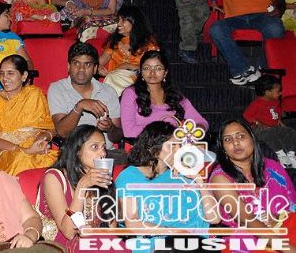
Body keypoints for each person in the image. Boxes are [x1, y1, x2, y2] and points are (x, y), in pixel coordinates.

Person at [115, 121, 219, 252]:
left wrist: (199, 181)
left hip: (198, 243)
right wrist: (175, 232)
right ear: (153, 148)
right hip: (159, 244)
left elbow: (214, 218)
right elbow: (133, 223)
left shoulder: (183, 174)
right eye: (173, 146)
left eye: (180, 145)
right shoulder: (130, 176)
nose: (178, 150)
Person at [210, 118, 296, 246]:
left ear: (252, 139)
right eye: (228, 139)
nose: (235, 142)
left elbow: (293, 206)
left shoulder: (273, 168)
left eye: (241, 136)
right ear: (223, 148)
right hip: (243, 242)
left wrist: (278, 218)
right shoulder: (219, 178)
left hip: (286, 230)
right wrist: (286, 247)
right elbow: (247, 220)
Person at [38, 125, 116, 251]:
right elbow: (68, 232)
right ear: (77, 151)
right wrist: (82, 186)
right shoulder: (54, 178)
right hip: (64, 246)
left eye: (103, 147)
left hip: (96, 243)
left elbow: (111, 229)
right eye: (94, 147)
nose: (102, 153)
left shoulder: (102, 177)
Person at [0, 54, 58, 175]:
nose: (4, 78)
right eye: (2, 73)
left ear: (24, 76)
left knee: (59, 161)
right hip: (6, 152)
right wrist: (25, 151)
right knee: (22, 161)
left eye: (10, 73)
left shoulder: (34, 94)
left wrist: (41, 140)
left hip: (35, 148)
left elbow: (52, 128)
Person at [48, 41, 123, 147]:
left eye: (87, 64)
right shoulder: (57, 89)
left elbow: (118, 137)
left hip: (105, 153)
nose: (81, 69)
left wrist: (110, 127)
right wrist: (80, 106)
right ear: (68, 66)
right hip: (75, 153)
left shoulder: (108, 91)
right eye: (76, 63)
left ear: (95, 69)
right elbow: (62, 132)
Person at [120, 51, 207, 139]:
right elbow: (129, 131)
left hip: (174, 145)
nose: (152, 72)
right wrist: (171, 132)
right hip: (144, 146)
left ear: (165, 73)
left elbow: (201, 122)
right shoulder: (131, 93)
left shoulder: (175, 97)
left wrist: (195, 132)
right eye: (147, 68)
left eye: (158, 68)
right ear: (141, 72)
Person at [98, 5, 160, 97]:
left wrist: (127, 66)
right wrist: (98, 68)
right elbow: (98, 63)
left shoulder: (149, 44)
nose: (119, 24)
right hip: (116, 78)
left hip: (139, 82)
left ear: (134, 22)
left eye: (123, 20)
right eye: (118, 20)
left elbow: (155, 69)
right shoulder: (114, 42)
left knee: (111, 79)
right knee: (111, 78)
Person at [244, 75, 296, 165]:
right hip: (260, 129)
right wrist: (258, 122)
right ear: (267, 92)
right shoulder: (257, 103)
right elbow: (246, 115)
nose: (280, 93)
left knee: (290, 132)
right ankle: (280, 154)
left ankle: (291, 154)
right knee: (270, 135)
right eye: (278, 91)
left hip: (274, 127)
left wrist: (279, 120)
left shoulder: (275, 101)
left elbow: (277, 113)